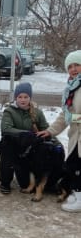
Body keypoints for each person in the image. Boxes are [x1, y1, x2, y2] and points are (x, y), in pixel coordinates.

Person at [38, 50, 81, 211]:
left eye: (77, 65)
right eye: (70, 66)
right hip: (76, 136)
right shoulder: (71, 88)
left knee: (78, 166)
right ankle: (77, 193)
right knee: (73, 165)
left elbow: (72, 117)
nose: (73, 69)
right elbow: (65, 114)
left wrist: (74, 119)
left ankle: (80, 196)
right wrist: (50, 131)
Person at [0, 82, 50, 194]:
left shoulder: (37, 113)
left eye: (26, 97)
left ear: (30, 98)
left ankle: (30, 177)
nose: (22, 100)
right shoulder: (9, 111)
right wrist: (26, 134)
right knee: (7, 151)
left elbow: (46, 129)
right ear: (16, 98)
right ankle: (5, 182)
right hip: (12, 145)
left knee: (24, 184)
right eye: (19, 97)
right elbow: (6, 129)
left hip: (28, 148)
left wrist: (55, 141)